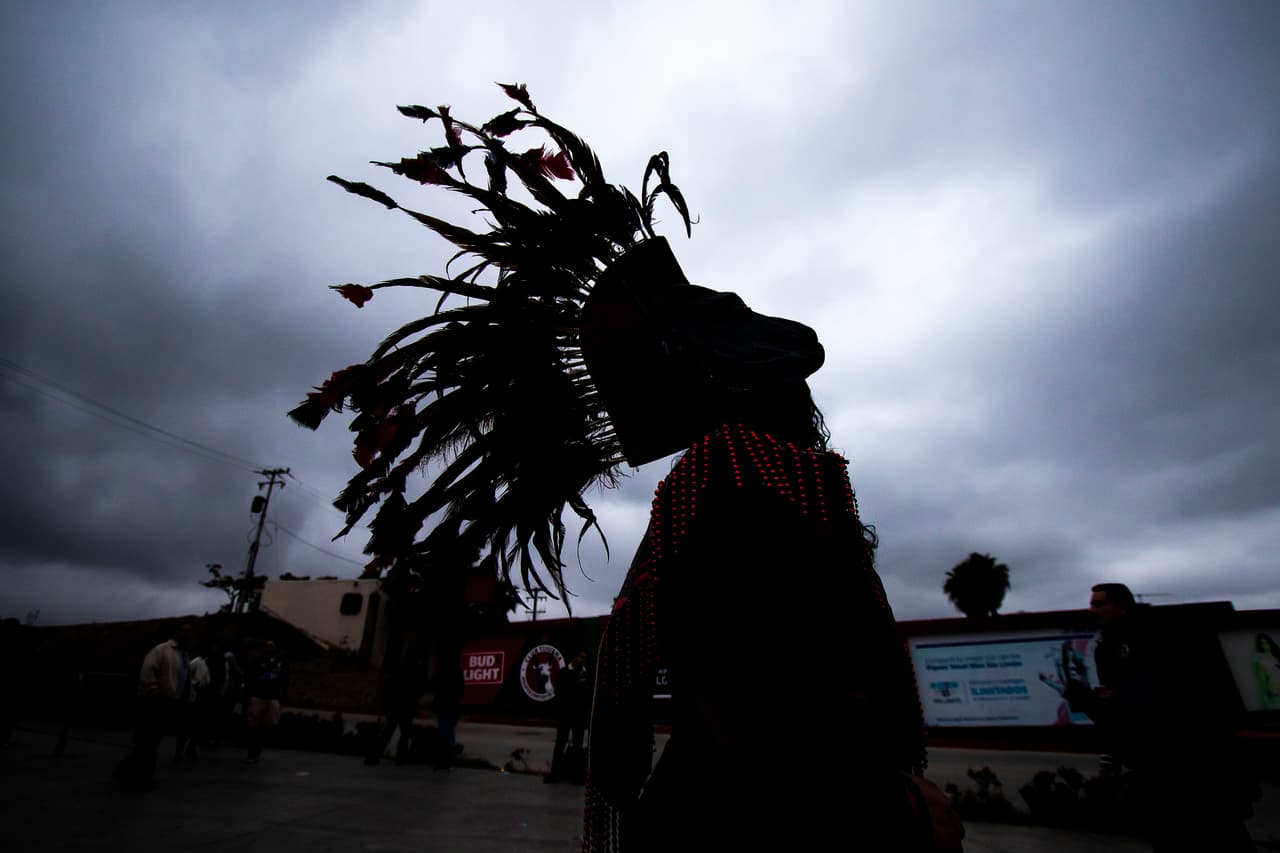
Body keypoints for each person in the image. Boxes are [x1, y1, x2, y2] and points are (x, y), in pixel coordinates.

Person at [578, 239, 954, 851]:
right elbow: (775, 677)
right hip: (784, 803)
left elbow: (732, 669)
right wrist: (890, 802)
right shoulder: (775, 475)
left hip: (743, 803)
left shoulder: (724, 476)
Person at [1065, 583, 1258, 852]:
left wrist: (1120, 697)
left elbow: (1176, 690)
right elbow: (1119, 713)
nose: (1092, 609)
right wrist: (1093, 705)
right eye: (1092, 603)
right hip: (1153, 764)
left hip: (1194, 760)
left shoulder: (1158, 634)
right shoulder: (1107, 647)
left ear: (1121, 606)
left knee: (1219, 833)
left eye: (1100, 604)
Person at [113, 623, 192, 789]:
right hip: (152, 701)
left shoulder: (184, 655)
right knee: (146, 740)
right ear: (176, 633)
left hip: (168, 702)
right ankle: (140, 775)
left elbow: (182, 679)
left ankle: (128, 772)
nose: (187, 635)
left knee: (151, 741)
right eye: (184, 631)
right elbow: (148, 671)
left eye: (190, 633)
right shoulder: (162, 650)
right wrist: (153, 691)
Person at [365, 645, 429, 766]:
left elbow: (393, 686)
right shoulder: (417, 670)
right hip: (407, 706)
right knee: (403, 734)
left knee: (388, 732)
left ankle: (375, 756)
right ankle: (400, 759)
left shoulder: (402, 668)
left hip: (398, 705)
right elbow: (419, 689)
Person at [545, 650, 591, 784]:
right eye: (580, 657)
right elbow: (559, 692)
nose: (582, 660)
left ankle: (577, 776)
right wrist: (575, 685)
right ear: (573, 658)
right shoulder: (564, 673)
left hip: (579, 715)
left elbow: (589, 694)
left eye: (584, 658)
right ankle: (555, 774)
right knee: (560, 743)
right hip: (565, 714)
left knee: (577, 746)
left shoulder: (586, 674)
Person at [243, 639, 286, 764]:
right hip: (258, 696)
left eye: (271, 647)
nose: (269, 650)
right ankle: (252, 751)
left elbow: (284, 679)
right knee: (253, 726)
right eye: (267, 647)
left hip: (272, 697)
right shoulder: (256, 662)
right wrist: (248, 695)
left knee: (270, 724)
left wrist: (282, 695)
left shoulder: (280, 663)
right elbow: (249, 678)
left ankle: (258, 747)